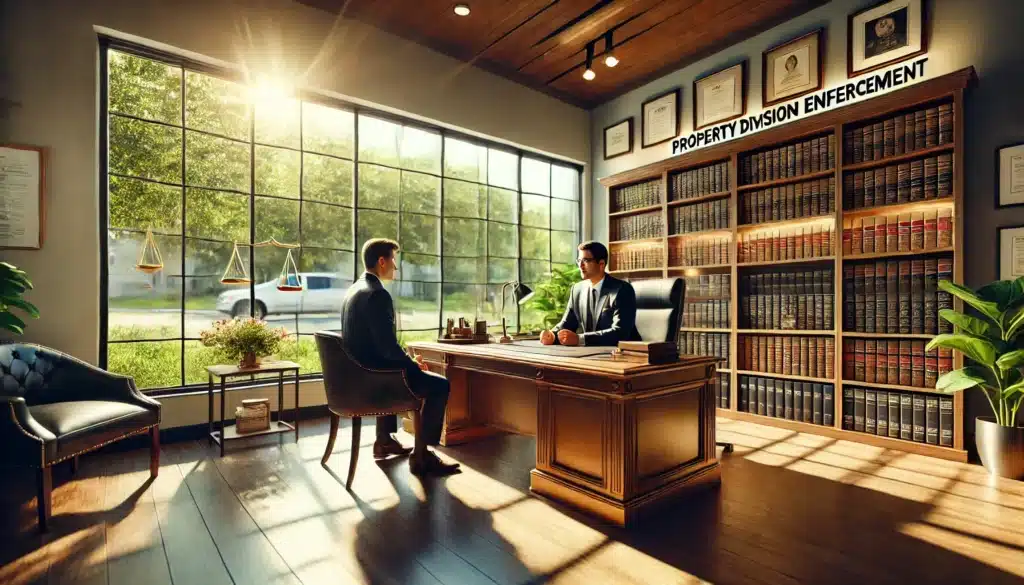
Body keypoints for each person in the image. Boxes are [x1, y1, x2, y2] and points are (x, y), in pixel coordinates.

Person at [340, 238, 460, 476]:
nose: (396, 267)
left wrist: (406, 360)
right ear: (382, 262)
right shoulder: (377, 294)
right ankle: (422, 455)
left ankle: (384, 440)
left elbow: (378, 345)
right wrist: (411, 365)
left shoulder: (354, 290)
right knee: (439, 386)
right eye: (394, 260)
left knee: (404, 369)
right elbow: (386, 349)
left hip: (359, 377)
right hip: (376, 380)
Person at [540, 241, 641, 347]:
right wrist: (552, 335)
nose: (580, 265)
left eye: (586, 260)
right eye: (579, 260)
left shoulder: (622, 290)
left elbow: (620, 333)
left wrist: (580, 339)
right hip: (593, 353)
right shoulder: (577, 290)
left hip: (627, 354)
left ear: (601, 264)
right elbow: (567, 324)